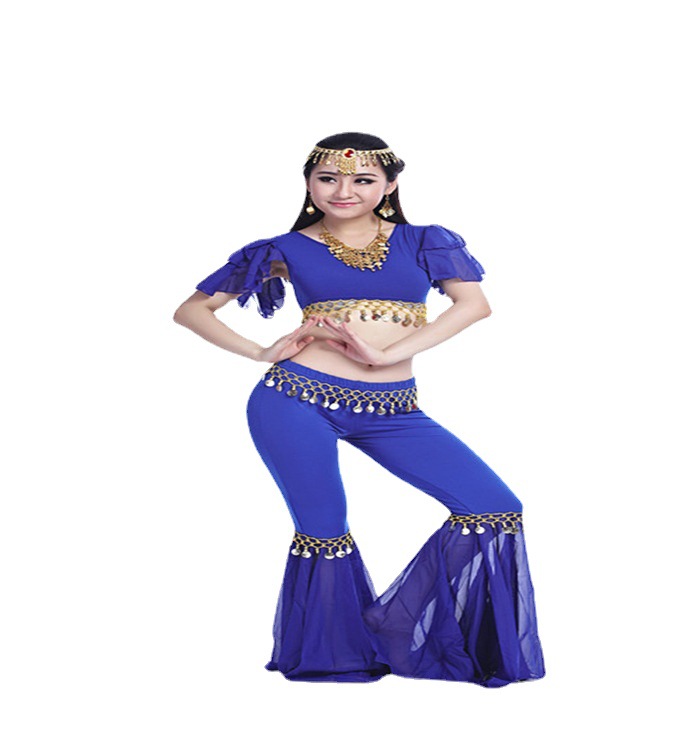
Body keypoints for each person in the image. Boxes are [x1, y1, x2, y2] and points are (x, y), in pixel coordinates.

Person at [173, 132, 546, 688]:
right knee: (325, 530)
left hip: (395, 410)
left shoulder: (425, 241)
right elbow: (191, 310)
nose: (343, 190)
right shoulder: (283, 249)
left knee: (494, 506)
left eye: (363, 179)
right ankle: (336, 654)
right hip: (297, 401)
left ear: (389, 186)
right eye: (327, 178)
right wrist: (260, 351)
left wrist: (388, 354)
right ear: (309, 184)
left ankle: (391, 623)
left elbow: (473, 305)